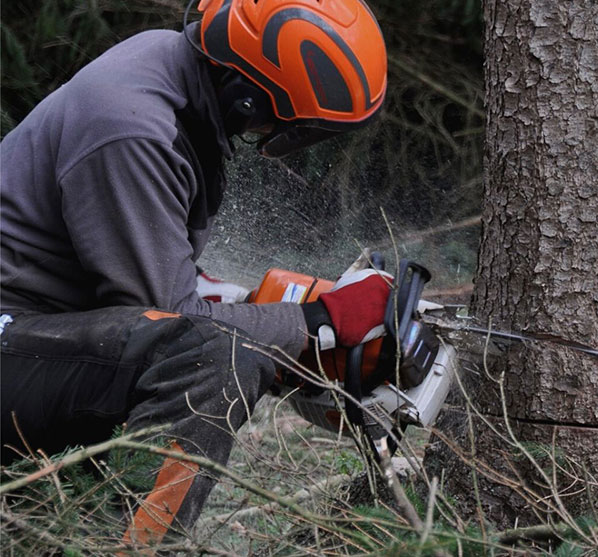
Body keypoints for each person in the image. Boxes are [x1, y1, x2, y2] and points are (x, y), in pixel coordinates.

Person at [0, 0, 391, 547]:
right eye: (283, 117)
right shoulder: (133, 129)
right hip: (12, 333)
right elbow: (172, 320)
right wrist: (317, 322)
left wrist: (268, 307)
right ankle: (118, 545)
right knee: (214, 359)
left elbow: (154, 274)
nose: (278, 130)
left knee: (215, 344)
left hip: (34, 327)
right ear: (247, 91)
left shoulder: (172, 71)